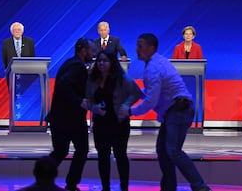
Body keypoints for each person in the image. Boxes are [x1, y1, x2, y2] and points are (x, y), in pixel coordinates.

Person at [119, 33, 211, 191]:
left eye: (141, 45)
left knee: (173, 151)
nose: (137, 49)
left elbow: (150, 101)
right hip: (175, 111)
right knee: (163, 151)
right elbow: (153, 93)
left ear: (151, 48)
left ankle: (200, 187)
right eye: (137, 45)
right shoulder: (156, 62)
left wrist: (129, 111)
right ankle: (169, 187)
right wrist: (135, 92)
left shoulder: (154, 67)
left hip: (178, 110)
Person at [86, 50, 142, 191]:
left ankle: (124, 187)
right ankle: (106, 188)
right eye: (99, 61)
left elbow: (137, 93)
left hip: (119, 122)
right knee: (103, 156)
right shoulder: (92, 79)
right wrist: (94, 108)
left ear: (112, 62)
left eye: (105, 61)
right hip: (100, 122)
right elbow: (88, 100)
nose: (101, 64)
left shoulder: (121, 78)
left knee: (120, 155)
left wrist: (126, 105)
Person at [47, 38, 96, 191]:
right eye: (91, 50)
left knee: (61, 151)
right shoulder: (77, 67)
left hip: (60, 118)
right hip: (70, 119)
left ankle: (43, 179)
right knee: (81, 150)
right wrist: (79, 101)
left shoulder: (69, 63)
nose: (93, 54)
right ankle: (71, 184)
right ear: (83, 50)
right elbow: (64, 85)